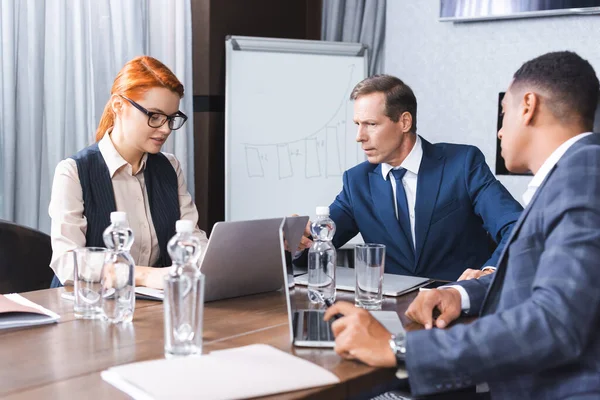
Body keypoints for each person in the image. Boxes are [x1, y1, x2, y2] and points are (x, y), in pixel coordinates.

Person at [324, 51, 600, 399]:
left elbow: (555, 322)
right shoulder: (572, 175)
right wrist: (459, 293)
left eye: (504, 114)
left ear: (528, 106)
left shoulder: (583, 175)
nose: (500, 131)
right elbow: (537, 282)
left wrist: (400, 349)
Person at [296, 75, 523, 281]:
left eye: (371, 124)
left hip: (459, 306)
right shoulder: (357, 182)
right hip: (390, 311)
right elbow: (319, 247)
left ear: (404, 122)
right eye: (358, 125)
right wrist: (297, 239)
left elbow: (517, 226)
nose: (359, 137)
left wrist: (488, 274)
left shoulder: (462, 164)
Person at [48, 56, 207, 289]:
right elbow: (67, 261)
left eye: (171, 118)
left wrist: (221, 261)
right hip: (85, 310)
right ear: (118, 106)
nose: (165, 129)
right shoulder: (73, 172)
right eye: (154, 116)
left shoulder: (170, 168)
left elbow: (191, 239)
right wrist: (142, 275)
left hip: (147, 309)